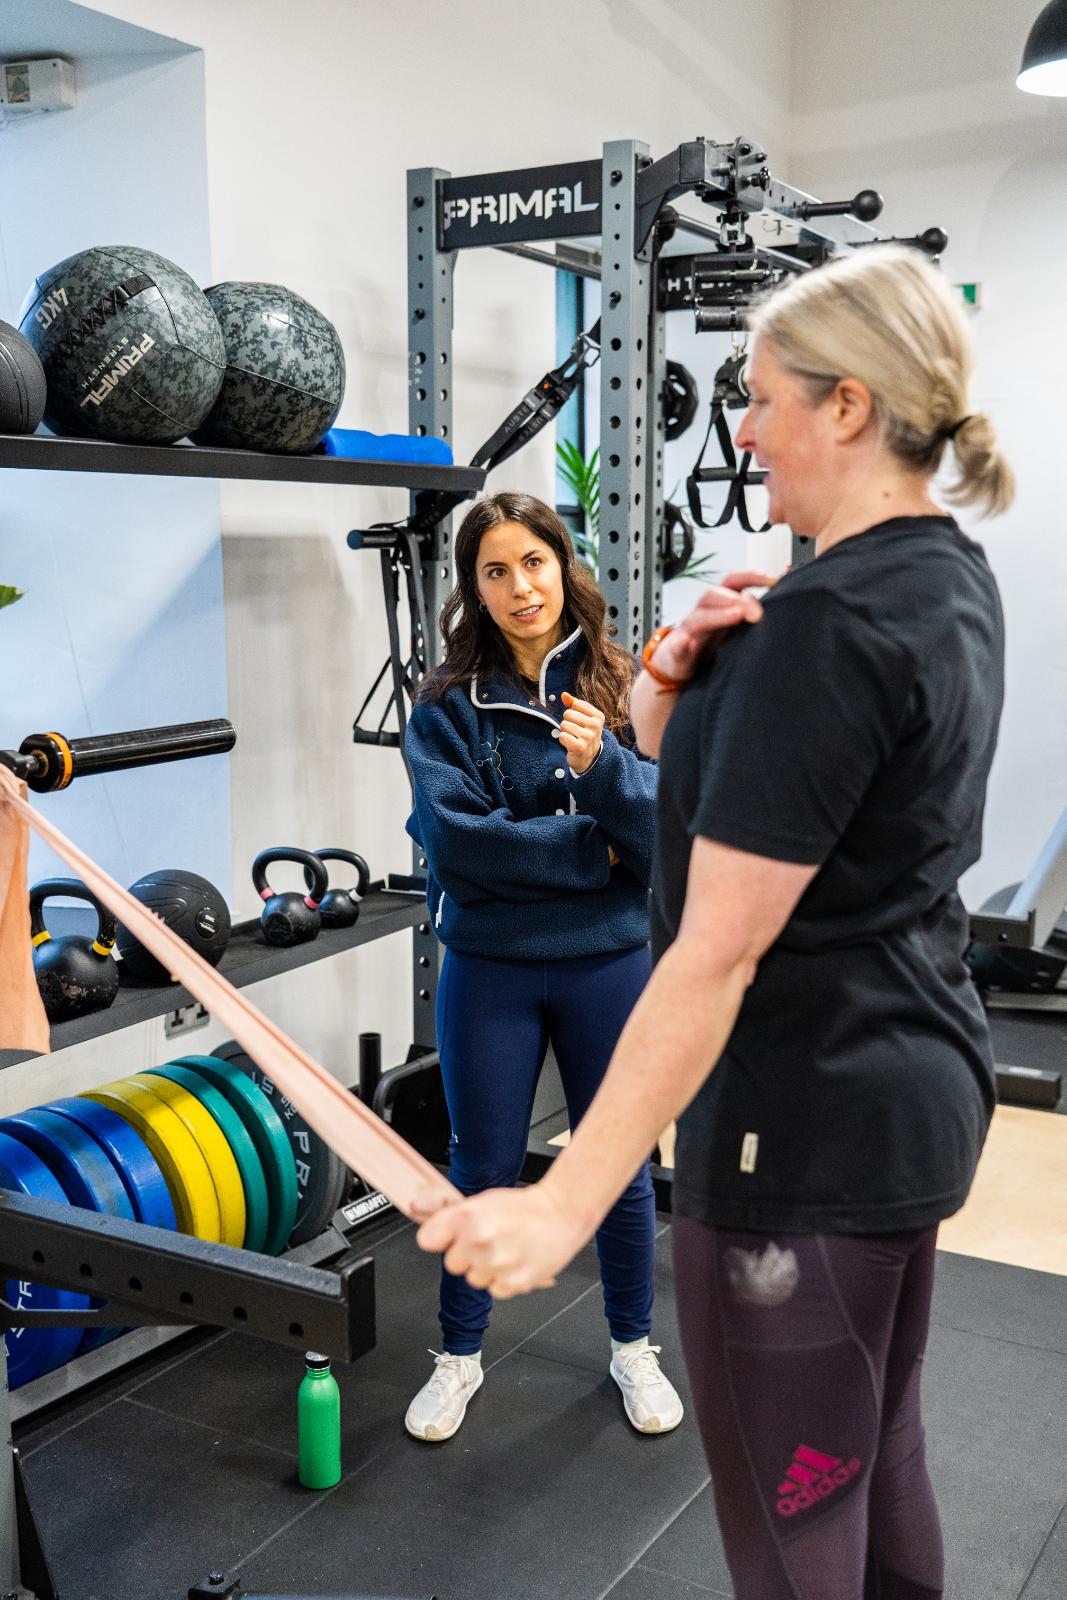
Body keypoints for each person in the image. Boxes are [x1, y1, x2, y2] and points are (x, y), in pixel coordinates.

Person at [414, 246, 1014, 1599]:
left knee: (795, 1514)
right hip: (910, 1090)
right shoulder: (942, 576)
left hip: (800, 1132)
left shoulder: (819, 625)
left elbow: (715, 950)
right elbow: (767, 808)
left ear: (846, 406)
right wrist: (671, 696)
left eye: (758, 397)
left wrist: (564, 1201)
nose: (740, 430)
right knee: (873, 1456)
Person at [402, 490, 684, 1443]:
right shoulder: (443, 708)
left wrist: (603, 772)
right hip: (491, 966)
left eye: (534, 562)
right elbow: (459, 846)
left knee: (619, 1167)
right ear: (474, 591)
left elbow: (664, 836)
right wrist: (593, 853)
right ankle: (458, 1356)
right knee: (480, 1170)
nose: (521, 586)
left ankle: (633, 1346)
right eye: (496, 571)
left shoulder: (627, 683)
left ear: (563, 566)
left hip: (609, 964)